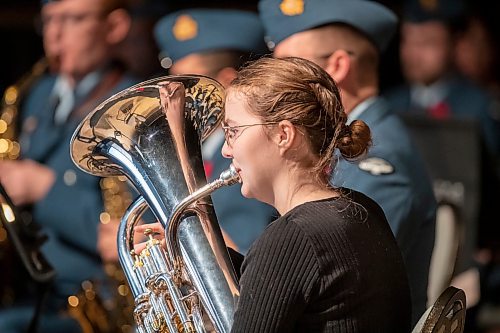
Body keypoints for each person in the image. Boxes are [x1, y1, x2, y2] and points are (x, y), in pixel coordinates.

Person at [258, 0, 436, 323]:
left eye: (288, 67)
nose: (274, 84)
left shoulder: (380, 162)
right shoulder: (341, 145)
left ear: (337, 66)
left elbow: (344, 283)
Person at [0, 0, 137, 331]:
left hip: (88, 301)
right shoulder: (38, 94)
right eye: (47, 20)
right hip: (28, 287)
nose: (55, 34)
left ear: (114, 26)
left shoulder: (134, 105)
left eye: (73, 19)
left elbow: (129, 227)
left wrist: (45, 189)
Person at [152, 8, 276, 253]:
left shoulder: (247, 157)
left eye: (185, 85)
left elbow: (244, 255)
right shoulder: (199, 151)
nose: (170, 98)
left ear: (227, 82)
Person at [385, 0, 500, 156]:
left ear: (453, 45)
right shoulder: (390, 104)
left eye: (428, 42)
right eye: (408, 40)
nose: (414, 54)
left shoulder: (477, 108)